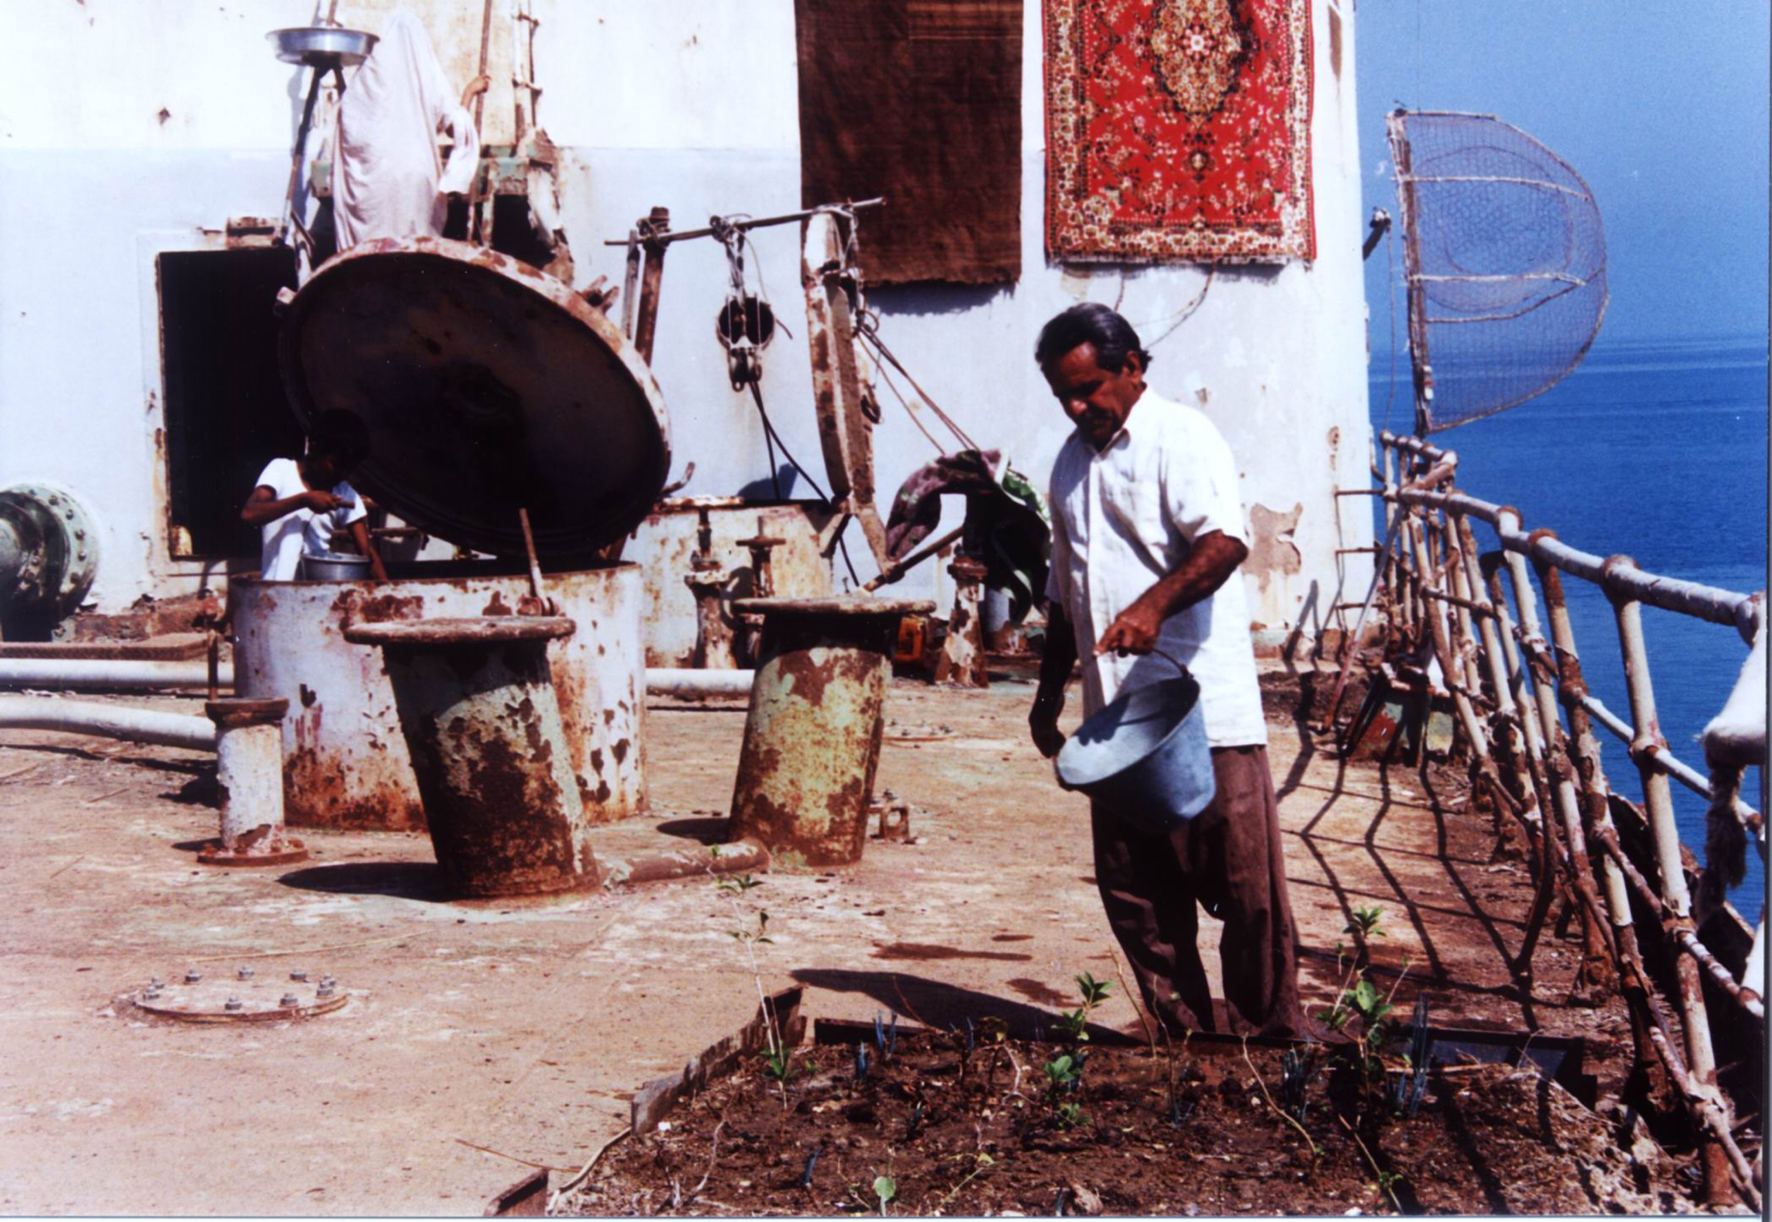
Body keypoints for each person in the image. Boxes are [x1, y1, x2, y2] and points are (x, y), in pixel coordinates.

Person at [1027, 303, 1303, 1039]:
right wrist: (1049, 695)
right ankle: (1185, 1037)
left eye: (1088, 389)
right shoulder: (1069, 462)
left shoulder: (1180, 436)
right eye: (1063, 395)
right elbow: (1063, 593)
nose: (1076, 407)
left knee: (1245, 886)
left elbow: (1224, 542)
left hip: (1203, 714)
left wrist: (1152, 606)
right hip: (1114, 724)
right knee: (1137, 892)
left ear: (1131, 368)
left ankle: (1269, 1034)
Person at [241, 410, 389, 583]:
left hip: (317, 594)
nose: (343, 474)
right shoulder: (281, 470)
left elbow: (367, 553)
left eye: (349, 468)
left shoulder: (344, 492)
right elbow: (249, 514)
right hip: (274, 592)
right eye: (337, 464)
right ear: (313, 447)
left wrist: (390, 591)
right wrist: (304, 500)